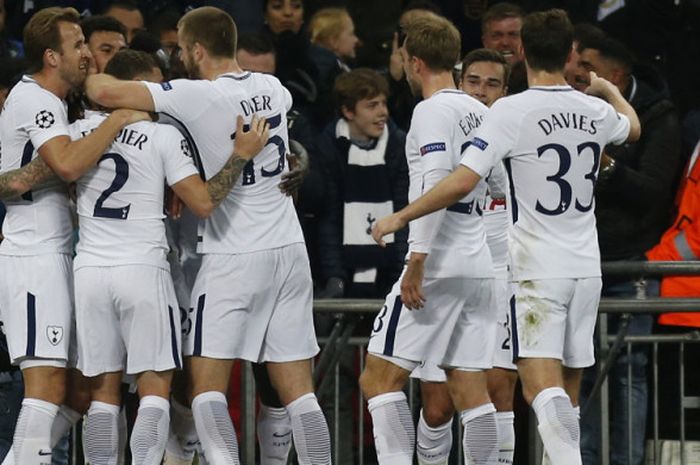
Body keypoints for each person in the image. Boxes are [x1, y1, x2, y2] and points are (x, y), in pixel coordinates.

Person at [372, 9, 641, 465]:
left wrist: (401, 218)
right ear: (571, 52)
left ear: (521, 54)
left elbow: (459, 181)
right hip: (586, 268)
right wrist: (609, 90)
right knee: (567, 391)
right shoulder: (594, 110)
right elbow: (632, 127)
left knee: (537, 386)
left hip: (536, 270)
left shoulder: (510, 111)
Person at [85, 6, 332, 465]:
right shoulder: (273, 88)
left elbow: (100, 87)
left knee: (205, 390)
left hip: (234, 253)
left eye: (181, 47)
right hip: (290, 249)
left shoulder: (194, 94)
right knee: (300, 392)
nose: (179, 55)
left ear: (197, 49)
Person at [70, 48, 268, 465]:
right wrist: (241, 156)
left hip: (88, 270)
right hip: (142, 269)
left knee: (103, 396)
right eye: (153, 88)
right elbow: (202, 202)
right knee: (154, 391)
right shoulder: (163, 136)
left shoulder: (78, 132)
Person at [0, 7, 148, 465]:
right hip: (34, 255)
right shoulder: (36, 100)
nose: (86, 54)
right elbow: (65, 164)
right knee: (44, 387)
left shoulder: (60, 104)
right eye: (77, 45)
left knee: (82, 391)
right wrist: (115, 120)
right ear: (50, 56)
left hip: (63, 252)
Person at [358, 14, 500, 465]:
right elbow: (498, 187)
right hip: (479, 264)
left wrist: (416, 258)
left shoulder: (431, 110)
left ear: (413, 61)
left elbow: (436, 180)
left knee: (378, 381)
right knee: (470, 388)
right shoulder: (481, 111)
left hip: (437, 263)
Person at [576, 33, 682, 465]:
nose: (576, 72)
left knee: (629, 372)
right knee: (579, 371)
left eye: (586, 65)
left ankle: (627, 462)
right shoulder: (574, 108)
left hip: (631, 263)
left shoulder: (659, 118)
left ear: (613, 76)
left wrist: (608, 166)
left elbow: (653, 193)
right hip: (583, 261)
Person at [408, 47, 514, 465]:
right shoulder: (443, 124)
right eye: (474, 81)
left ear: (505, 90)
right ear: (459, 79)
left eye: (492, 84)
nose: (482, 91)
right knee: (437, 405)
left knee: (497, 389)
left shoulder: (516, 134)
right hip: (447, 266)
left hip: (500, 271)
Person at [316, 68, 407, 299]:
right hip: (344, 269)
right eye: (371, 105)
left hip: (391, 271)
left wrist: (400, 274)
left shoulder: (400, 145)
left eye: (383, 104)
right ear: (348, 111)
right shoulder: (328, 147)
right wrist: (334, 276)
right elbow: (330, 216)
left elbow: (404, 214)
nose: (382, 113)